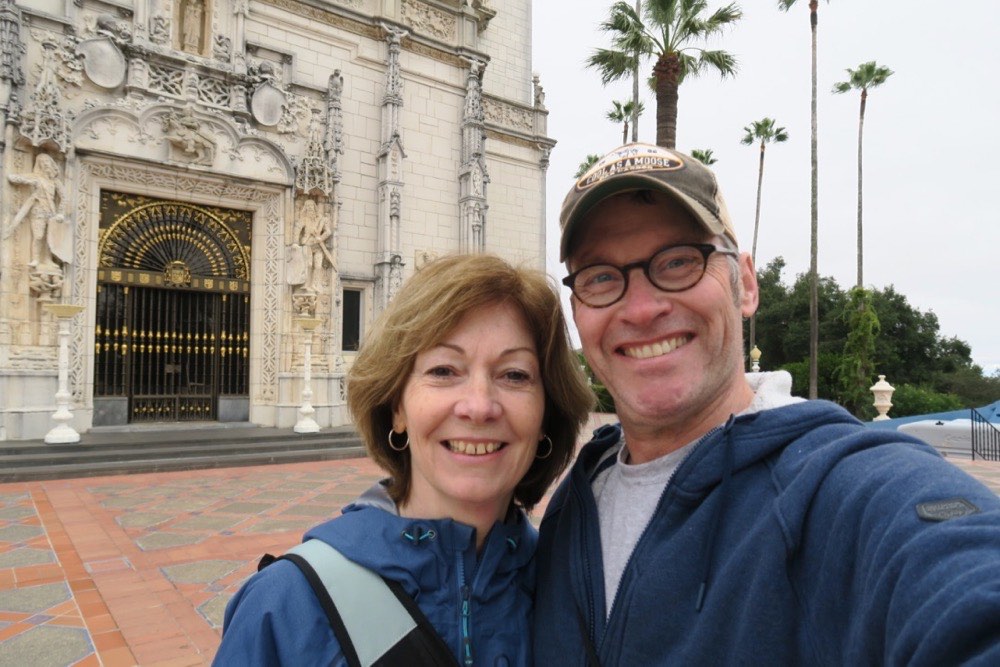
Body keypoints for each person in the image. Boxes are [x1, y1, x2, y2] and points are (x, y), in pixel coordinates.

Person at [533, 142, 1000, 665]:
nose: (641, 308)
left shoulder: (843, 487)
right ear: (578, 309)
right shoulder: (576, 498)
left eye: (680, 261)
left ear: (745, 284)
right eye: (600, 276)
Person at [216, 254, 593, 665]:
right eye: (445, 370)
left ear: (545, 416)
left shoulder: (573, 591)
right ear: (397, 406)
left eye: (515, 375)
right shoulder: (286, 605)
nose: (479, 406)